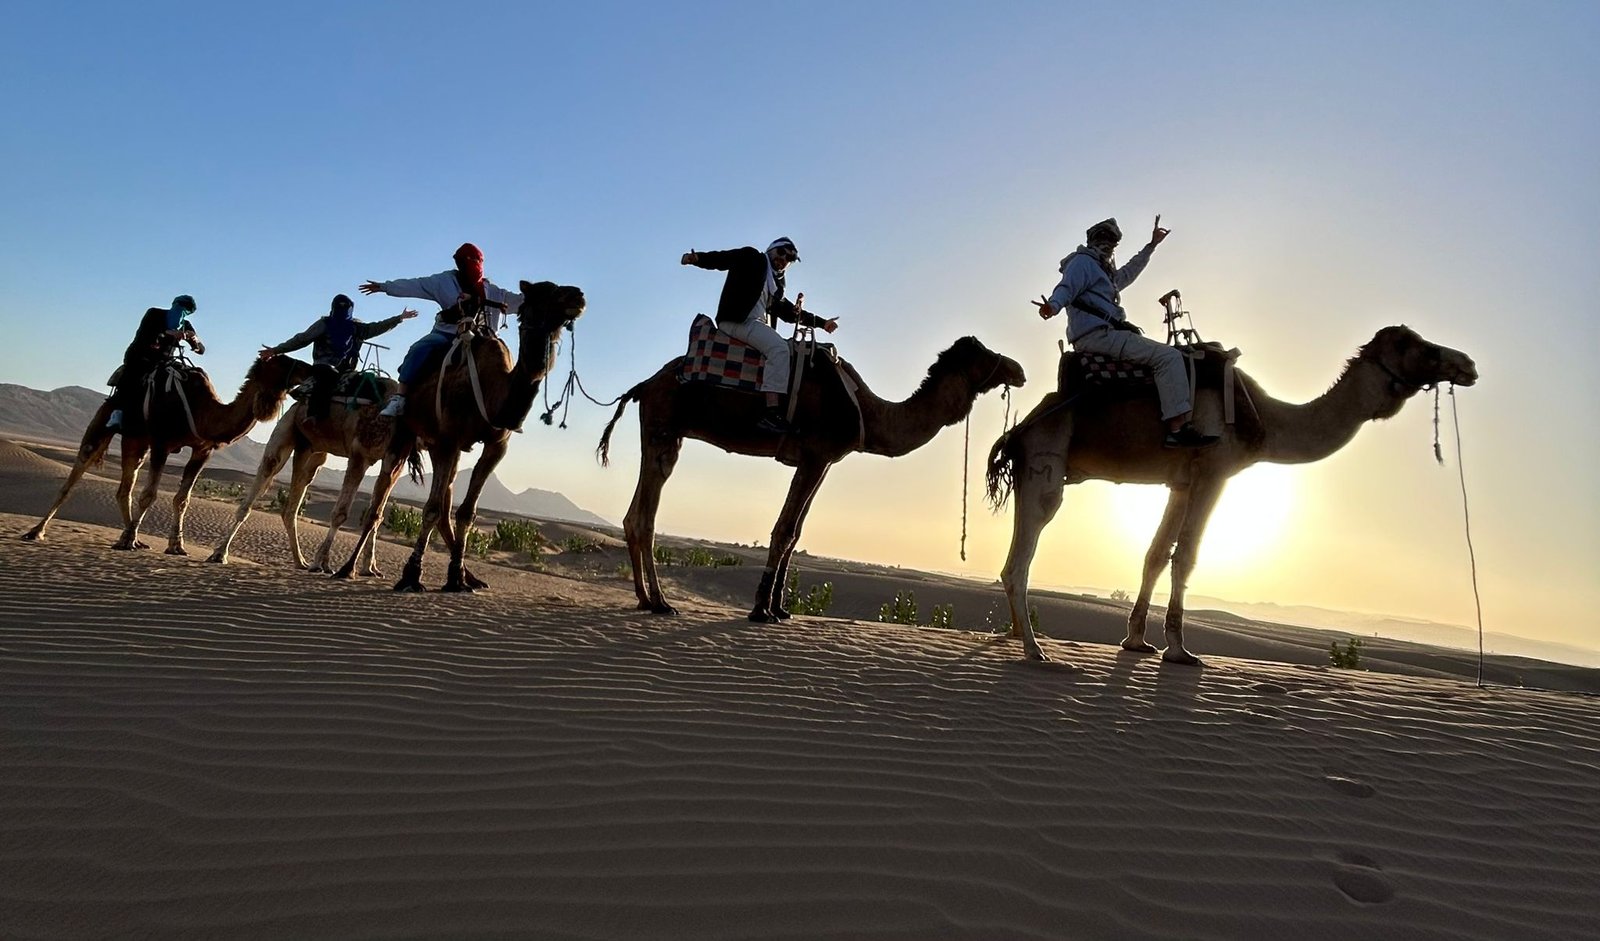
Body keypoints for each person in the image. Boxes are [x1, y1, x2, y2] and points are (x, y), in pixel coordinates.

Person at [1032, 216, 1218, 448]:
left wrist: (1151, 246)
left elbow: (1129, 272)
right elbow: (1066, 288)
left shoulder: (1104, 273)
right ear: (1093, 240)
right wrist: (1053, 305)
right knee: (1168, 357)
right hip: (1098, 336)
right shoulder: (1083, 263)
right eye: (1105, 238)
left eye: (1112, 240)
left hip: (1105, 334)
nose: (1108, 244)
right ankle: (1177, 429)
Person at [681, 237, 839, 433]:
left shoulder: (776, 287)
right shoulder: (752, 258)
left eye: (789, 258)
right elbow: (723, 259)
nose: (783, 259)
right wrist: (697, 258)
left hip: (754, 324)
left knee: (788, 347)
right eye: (781, 252)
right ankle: (771, 412)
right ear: (771, 250)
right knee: (779, 349)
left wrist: (822, 323)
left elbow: (789, 313)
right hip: (736, 321)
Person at [359, 243, 524, 418]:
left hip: (483, 339)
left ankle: (510, 411)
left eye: (472, 261)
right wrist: (386, 287)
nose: (468, 265)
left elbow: (522, 302)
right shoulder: (444, 281)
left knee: (502, 362)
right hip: (447, 334)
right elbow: (417, 285)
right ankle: (400, 398)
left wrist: (548, 297)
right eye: (464, 261)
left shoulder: (494, 293)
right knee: (418, 349)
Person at [256, 295, 419, 420]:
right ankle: (314, 415)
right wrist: (277, 350)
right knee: (327, 379)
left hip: (347, 368)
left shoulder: (356, 327)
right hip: (323, 365)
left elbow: (377, 327)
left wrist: (398, 319)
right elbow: (302, 339)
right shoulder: (324, 325)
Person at [106, 294, 205, 431]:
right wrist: (170, 333)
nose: (181, 310)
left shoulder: (185, 326)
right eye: (180, 306)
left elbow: (201, 350)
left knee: (191, 379)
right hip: (141, 355)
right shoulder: (154, 314)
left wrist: (193, 338)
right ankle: (117, 414)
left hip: (165, 362)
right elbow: (147, 333)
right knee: (134, 377)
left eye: (185, 309)